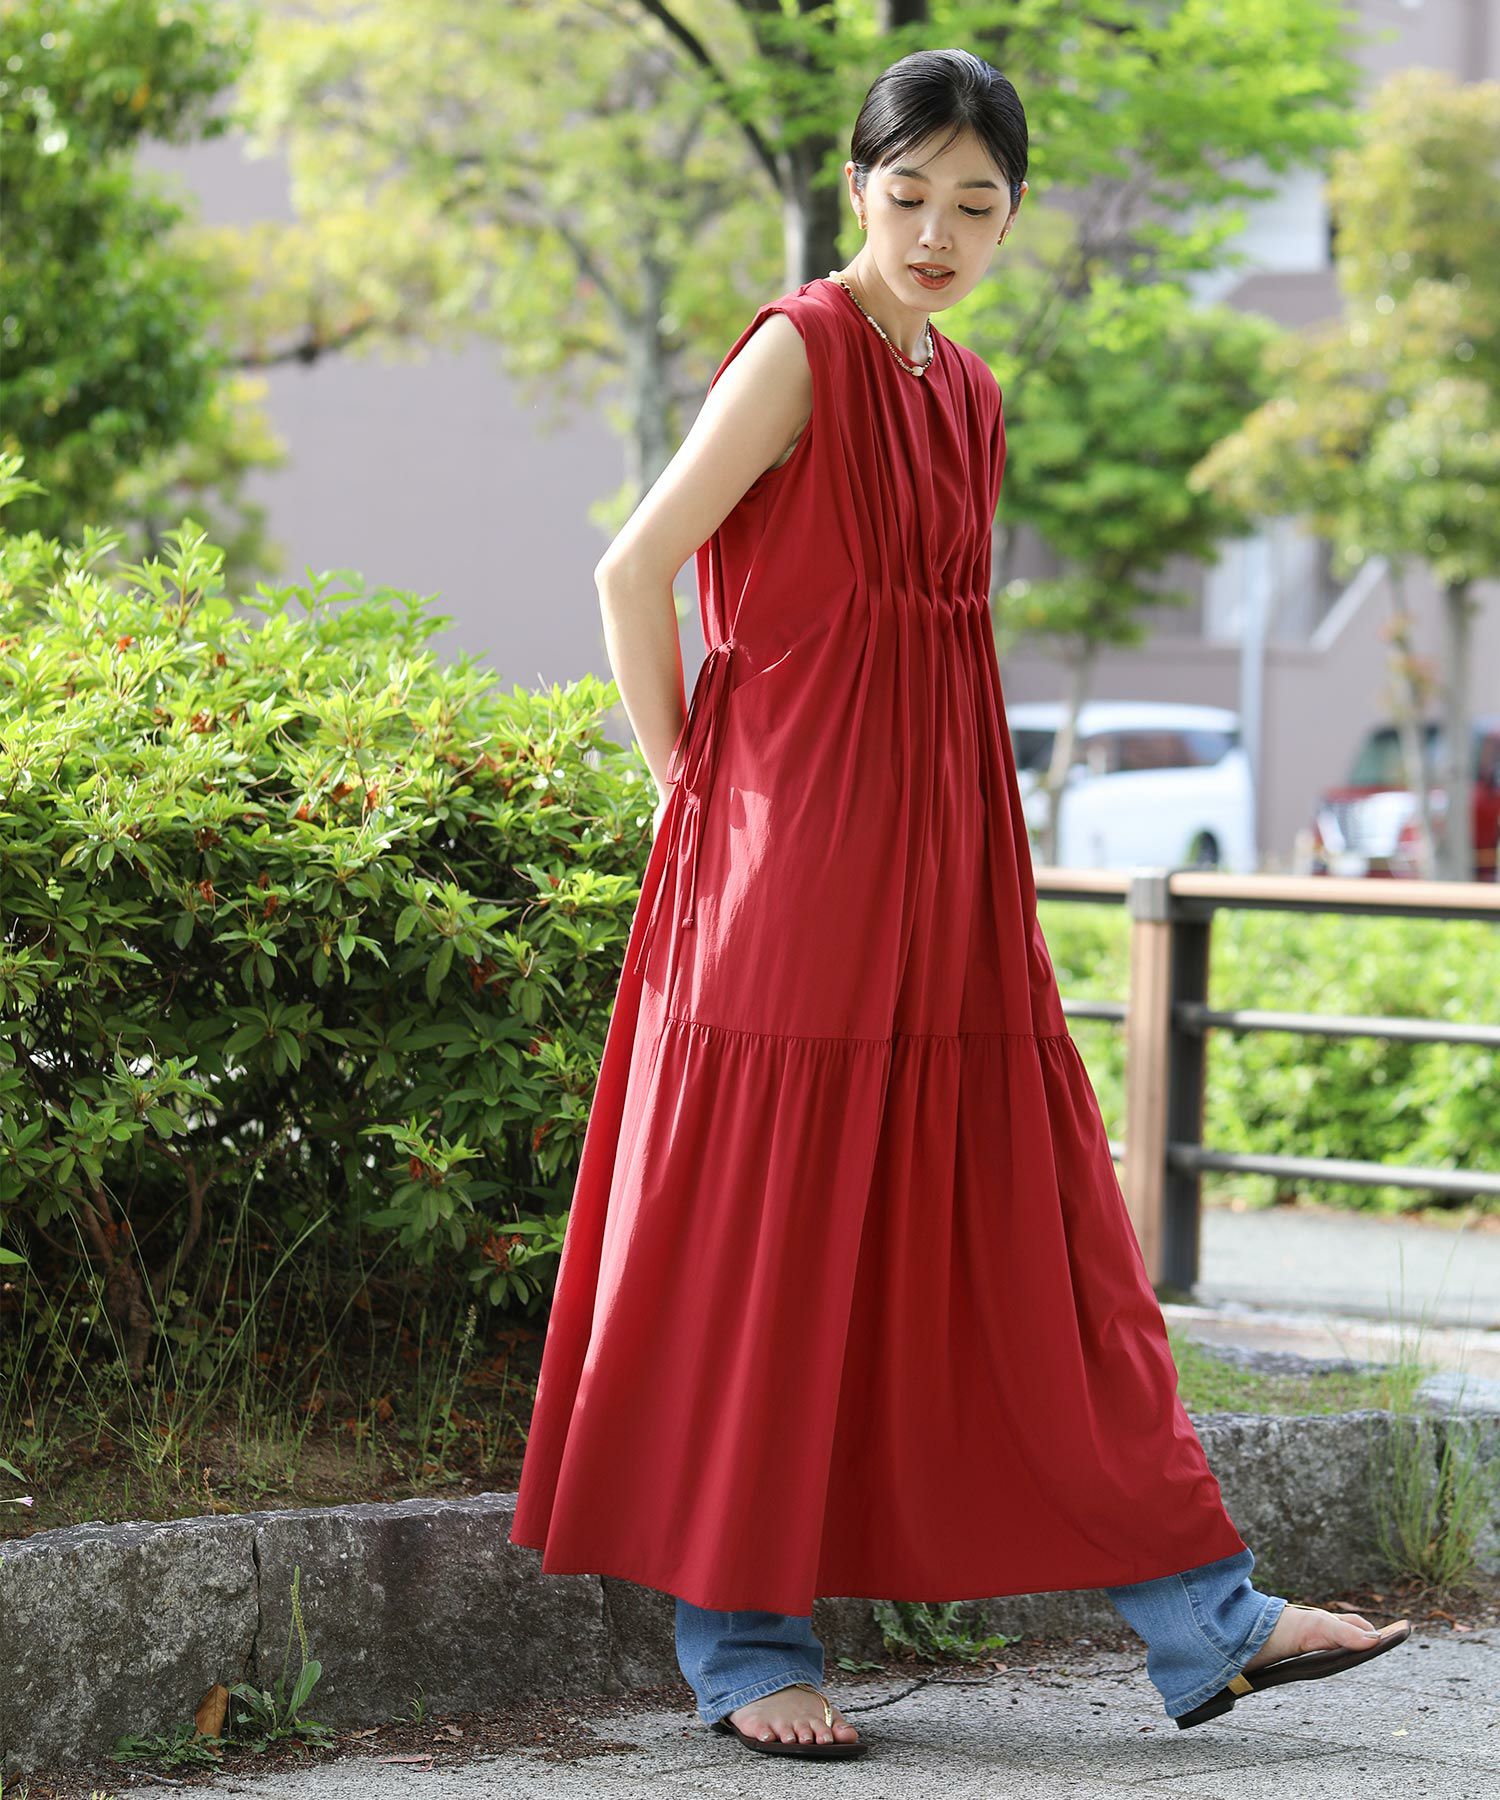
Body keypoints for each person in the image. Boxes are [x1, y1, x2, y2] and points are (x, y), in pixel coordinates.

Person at [508, 47, 1409, 1758]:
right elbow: (633, 570)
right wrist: (699, 793)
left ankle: (1209, 1618)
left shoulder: (967, 391)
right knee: (769, 1233)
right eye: (908, 192)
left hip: (948, 861)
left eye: (974, 204)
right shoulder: (801, 351)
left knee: (1035, 1229)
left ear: (1013, 216)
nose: (935, 230)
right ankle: (743, 1649)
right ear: (858, 187)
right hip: (788, 868)